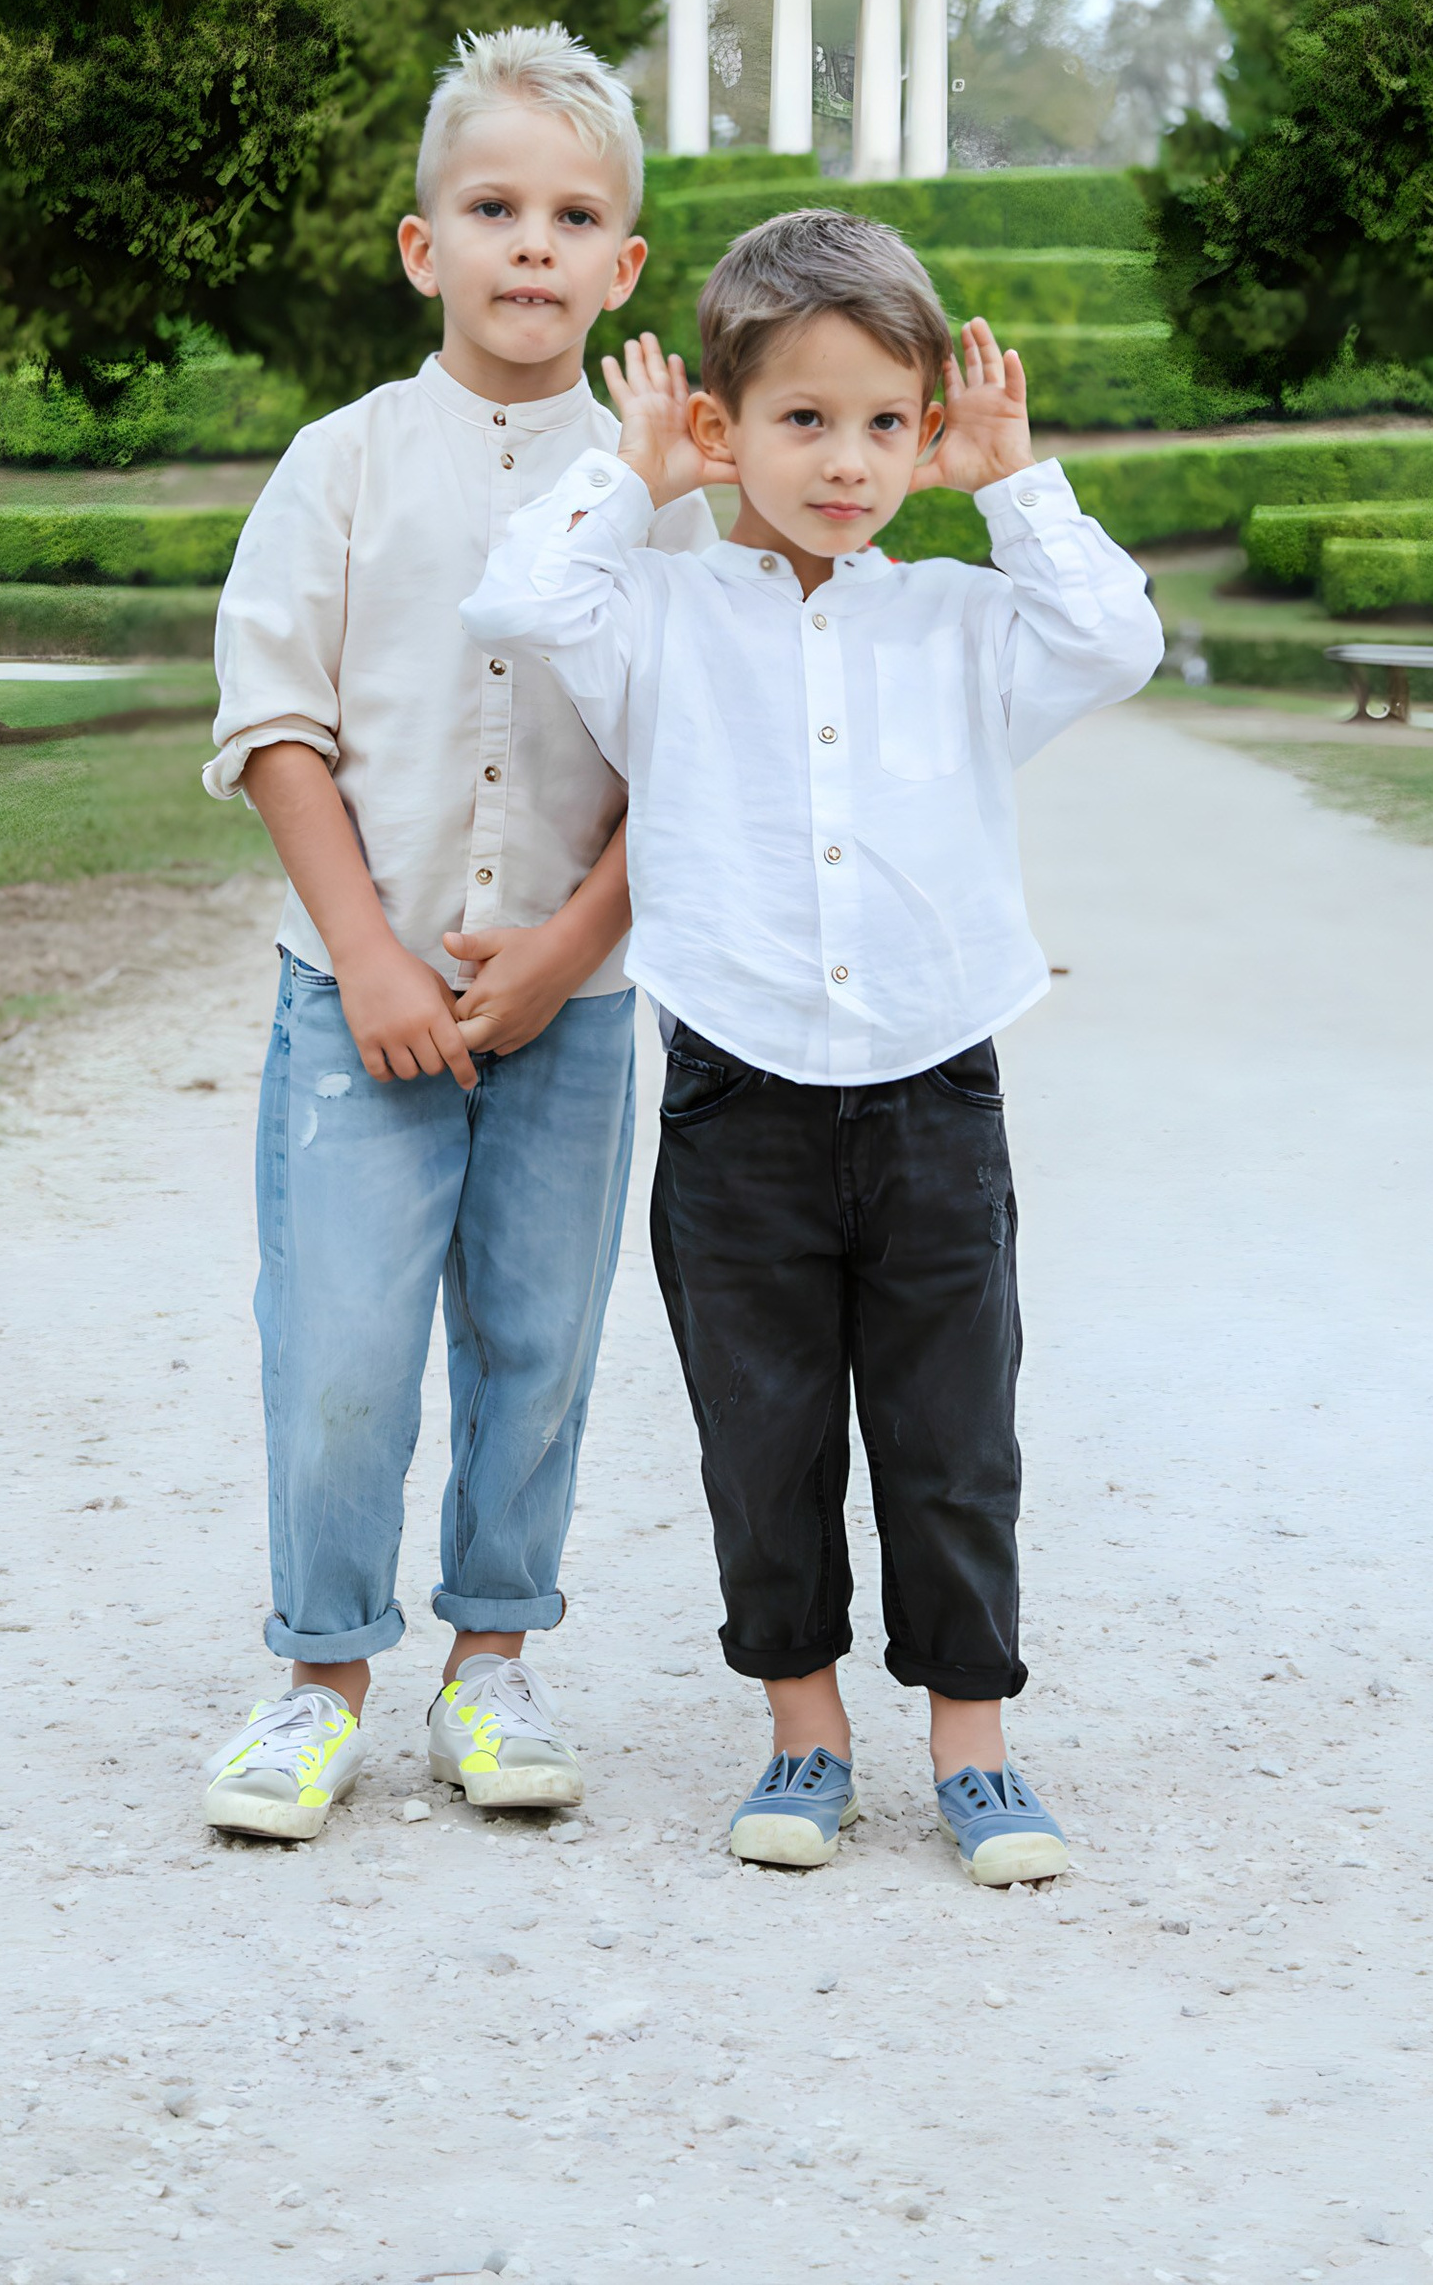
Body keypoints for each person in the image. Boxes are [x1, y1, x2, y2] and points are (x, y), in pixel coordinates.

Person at [462, 206, 1163, 1887]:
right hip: (739, 1094)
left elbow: (1117, 638)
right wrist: (636, 471)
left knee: (953, 1435)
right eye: (802, 418)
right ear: (724, 426)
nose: (847, 461)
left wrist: (1011, 482)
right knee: (763, 1434)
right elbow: (516, 592)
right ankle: (805, 1733)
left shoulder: (963, 621)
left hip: (933, 1088)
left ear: (924, 433)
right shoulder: (654, 612)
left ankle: (975, 1747)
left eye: (884, 422)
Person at [196, 27, 714, 1841]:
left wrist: (570, 945)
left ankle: (492, 1662)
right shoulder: (341, 463)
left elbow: (694, 754)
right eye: (494, 207)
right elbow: (275, 720)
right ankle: (319, 1678)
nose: (531, 244)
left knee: (538, 1343)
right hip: (360, 999)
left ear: (623, 265)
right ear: (425, 245)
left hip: (572, 1007)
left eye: (572, 217)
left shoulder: (666, 495)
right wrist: (369, 952)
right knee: (340, 1344)